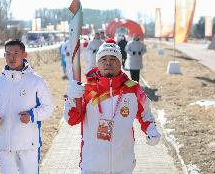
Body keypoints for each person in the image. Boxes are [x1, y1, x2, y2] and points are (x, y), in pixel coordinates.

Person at [64, 40, 161, 174]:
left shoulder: (133, 88)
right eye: (103, 59)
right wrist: (71, 99)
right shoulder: (85, 90)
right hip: (92, 164)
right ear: (97, 63)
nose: (108, 62)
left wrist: (151, 129)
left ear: (120, 63)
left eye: (113, 59)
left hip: (123, 165)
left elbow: (145, 114)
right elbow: (72, 120)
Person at [0, 39, 54, 174]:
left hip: (28, 144)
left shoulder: (36, 81)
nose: (12, 57)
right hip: (4, 143)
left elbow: (48, 107)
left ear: (24, 55)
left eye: (16, 53)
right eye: (8, 53)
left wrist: (32, 115)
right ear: (4, 55)